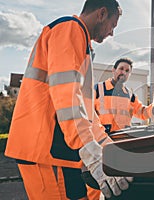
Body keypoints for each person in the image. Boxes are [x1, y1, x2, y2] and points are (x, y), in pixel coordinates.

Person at [4, 0, 132, 199]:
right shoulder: (69, 30)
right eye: (112, 25)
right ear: (102, 14)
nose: (112, 33)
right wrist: (91, 152)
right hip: (47, 149)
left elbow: (86, 112)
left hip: (59, 150)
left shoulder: (81, 41)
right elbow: (67, 96)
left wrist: (106, 147)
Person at [87, 58, 154, 199]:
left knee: (119, 186)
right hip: (101, 146)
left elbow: (142, 112)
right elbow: (87, 116)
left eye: (127, 71)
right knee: (96, 185)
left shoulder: (129, 94)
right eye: (121, 69)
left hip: (122, 146)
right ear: (114, 70)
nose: (123, 72)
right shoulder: (97, 89)